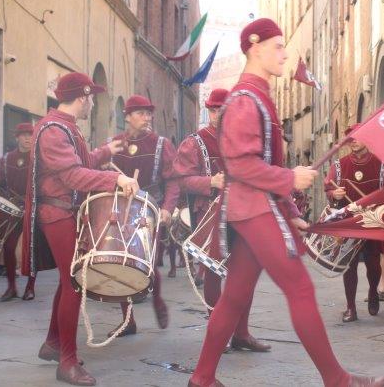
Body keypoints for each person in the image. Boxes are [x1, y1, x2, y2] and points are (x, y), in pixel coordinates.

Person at [187, 18, 384, 387]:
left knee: (234, 297)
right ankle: (337, 380)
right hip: (255, 210)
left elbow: (264, 162)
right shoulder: (245, 100)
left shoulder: (257, 96)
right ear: (254, 46)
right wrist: (289, 179)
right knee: (300, 288)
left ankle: (202, 377)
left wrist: (291, 209)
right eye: (277, 47)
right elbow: (242, 165)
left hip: (255, 208)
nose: (284, 54)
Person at [21, 72, 138, 386]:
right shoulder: (53, 129)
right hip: (57, 214)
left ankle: (53, 344)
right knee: (75, 282)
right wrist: (116, 178)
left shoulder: (64, 126)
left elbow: (80, 162)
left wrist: (106, 151)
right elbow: (74, 176)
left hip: (65, 212)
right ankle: (67, 363)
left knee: (67, 281)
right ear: (82, 96)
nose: (93, 103)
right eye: (92, 98)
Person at [174, 88, 270, 352]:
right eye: (214, 110)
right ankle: (219, 332)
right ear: (208, 111)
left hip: (243, 213)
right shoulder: (194, 142)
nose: (218, 115)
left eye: (223, 110)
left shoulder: (244, 141)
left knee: (246, 274)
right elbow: (181, 180)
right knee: (213, 273)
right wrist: (210, 182)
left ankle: (241, 333)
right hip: (209, 214)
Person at [108, 94, 174, 337]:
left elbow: (173, 180)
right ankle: (128, 320)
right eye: (140, 113)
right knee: (120, 260)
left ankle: (157, 299)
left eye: (149, 113)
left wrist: (167, 207)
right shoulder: (114, 143)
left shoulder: (161, 144)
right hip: (119, 207)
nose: (147, 118)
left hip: (150, 206)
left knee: (148, 259)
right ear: (127, 117)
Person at [325, 124, 384, 323]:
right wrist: (334, 193)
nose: (353, 141)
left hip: (371, 220)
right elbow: (328, 188)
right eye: (350, 138)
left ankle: (374, 291)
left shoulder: (380, 164)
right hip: (348, 221)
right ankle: (351, 307)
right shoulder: (339, 165)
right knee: (348, 264)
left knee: (373, 263)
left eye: (357, 137)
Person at [0, 122, 36, 301]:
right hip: (13, 208)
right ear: (17, 137)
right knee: (8, 247)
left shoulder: (39, 158)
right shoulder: (7, 158)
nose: (27, 138)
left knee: (32, 249)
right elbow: (1, 182)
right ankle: (11, 287)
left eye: (30, 134)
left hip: (34, 207)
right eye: (23, 135)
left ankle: (30, 287)